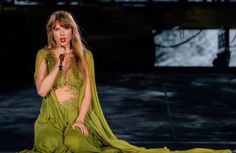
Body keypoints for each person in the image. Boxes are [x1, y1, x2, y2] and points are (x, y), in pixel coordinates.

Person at [20, 10, 231, 153]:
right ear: (52, 32)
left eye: (65, 28)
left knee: (74, 142)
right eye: (57, 29)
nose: (62, 33)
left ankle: (79, 136)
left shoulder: (85, 57)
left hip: (77, 116)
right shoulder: (44, 55)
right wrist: (57, 62)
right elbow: (41, 90)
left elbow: (87, 94)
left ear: (72, 30)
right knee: (49, 144)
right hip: (51, 119)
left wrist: (81, 120)